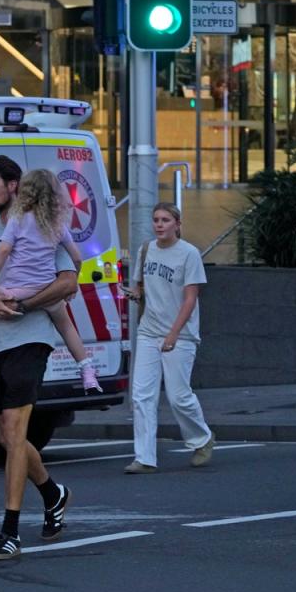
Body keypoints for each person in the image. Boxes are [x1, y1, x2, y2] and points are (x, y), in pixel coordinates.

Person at [0, 155, 74, 561]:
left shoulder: (41, 225)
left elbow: (69, 279)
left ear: (13, 186)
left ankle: (9, 531)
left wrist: (24, 305)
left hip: (31, 338)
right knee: (7, 439)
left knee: (17, 433)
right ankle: (53, 493)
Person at [0, 168, 101, 394]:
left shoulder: (18, 220)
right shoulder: (56, 225)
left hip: (20, 289)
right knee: (65, 324)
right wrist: (74, 285)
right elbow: (76, 257)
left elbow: (3, 250)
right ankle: (87, 370)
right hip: (46, 287)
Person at [125, 203, 215, 474]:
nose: (159, 225)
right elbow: (141, 285)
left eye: (165, 220)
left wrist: (174, 333)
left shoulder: (189, 254)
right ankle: (144, 458)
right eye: (156, 220)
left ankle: (202, 438)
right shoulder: (146, 249)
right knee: (141, 395)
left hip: (181, 334)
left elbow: (190, 298)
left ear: (177, 223)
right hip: (148, 331)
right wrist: (136, 293)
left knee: (178, 396)